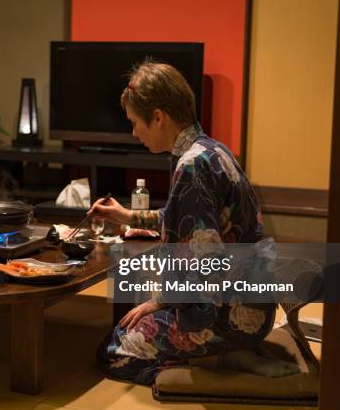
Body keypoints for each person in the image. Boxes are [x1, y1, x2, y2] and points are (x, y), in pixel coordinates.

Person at [90, 61, 297, 384]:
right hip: (252, 306)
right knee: (136, 324)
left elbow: (205, 261)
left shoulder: (190, 166)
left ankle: (216, 366)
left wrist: (159, 301)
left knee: (114, 350)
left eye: (135, 123)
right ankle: (229, 353)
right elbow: (193, 224)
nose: (134, 133)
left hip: (227, 316)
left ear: (158, 117)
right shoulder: (211, 150)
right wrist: (127, 216)